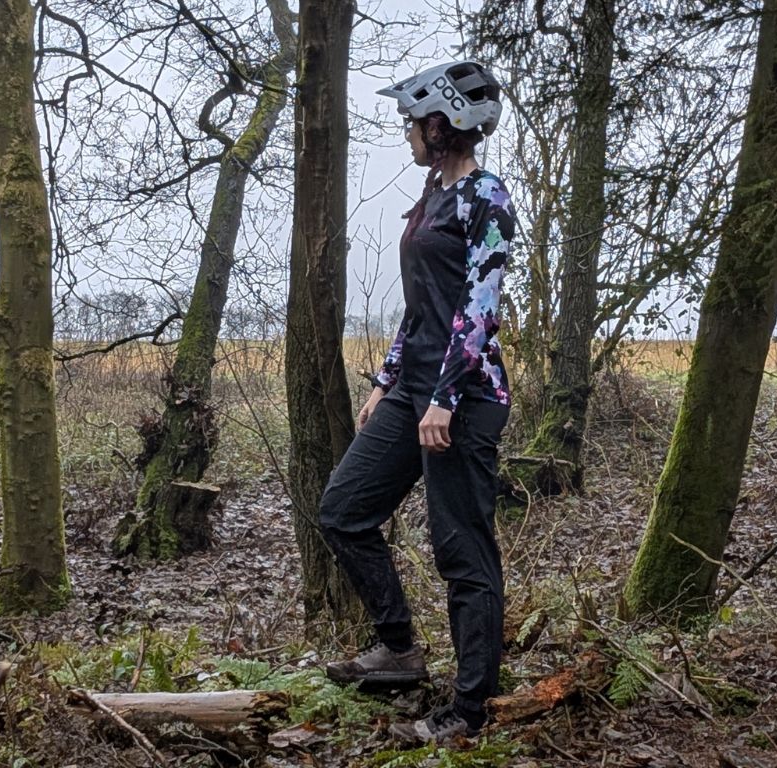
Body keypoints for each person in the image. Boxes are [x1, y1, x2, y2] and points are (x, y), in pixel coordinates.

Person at [317, 60, 516, 743]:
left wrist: (445, 398)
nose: (406, 133)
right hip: (414, 393)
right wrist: (386, 381)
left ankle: (470, 709)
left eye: (413, 122)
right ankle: (398, 649)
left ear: (444, 124)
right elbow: (422, 306)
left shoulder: (486, 198)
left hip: (464, 397)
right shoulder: (433, 195)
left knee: (462, 552)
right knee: (343, 511)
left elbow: (478, 308)